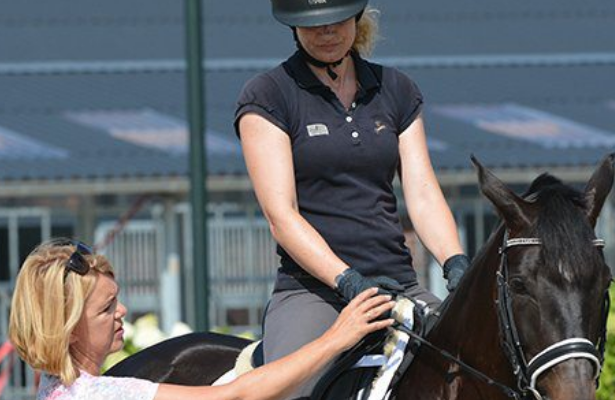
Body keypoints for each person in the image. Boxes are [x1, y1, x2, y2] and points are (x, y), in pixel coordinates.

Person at [233, 0, 471, 397]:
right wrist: (348, 282)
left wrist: (456, 263)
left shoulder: (396, 89)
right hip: (314, 291)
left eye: (335, 21)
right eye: (313, 25)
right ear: (293, 27)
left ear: (355, 18)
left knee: (476, 366)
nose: (326, 32)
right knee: (293, 390)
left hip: (400, 283)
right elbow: (282, 215)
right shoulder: (268, 95)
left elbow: (423, 192)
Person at [8, 239, 395, 400]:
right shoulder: (102, 393)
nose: (121, 312)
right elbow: (234, 395)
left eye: (117, 301)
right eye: (106, 308)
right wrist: (337, 338)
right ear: (69, 329)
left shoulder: (53, 388)